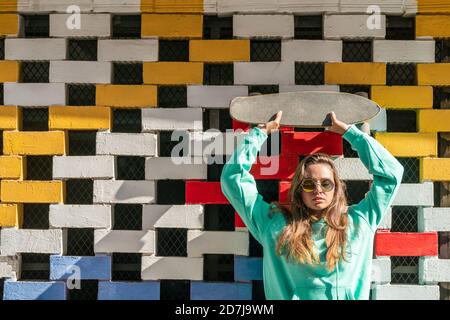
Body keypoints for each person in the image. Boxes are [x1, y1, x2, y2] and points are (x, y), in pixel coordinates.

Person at [220, 111, 404, 300]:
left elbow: (392, 175)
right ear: (299, 190)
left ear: (336, 188)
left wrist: (351, 133)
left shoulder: (359, 221)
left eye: (326, 183)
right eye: (309, 184)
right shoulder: (275, 224)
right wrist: (259, 134)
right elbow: (232, 179)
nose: (318, 190)